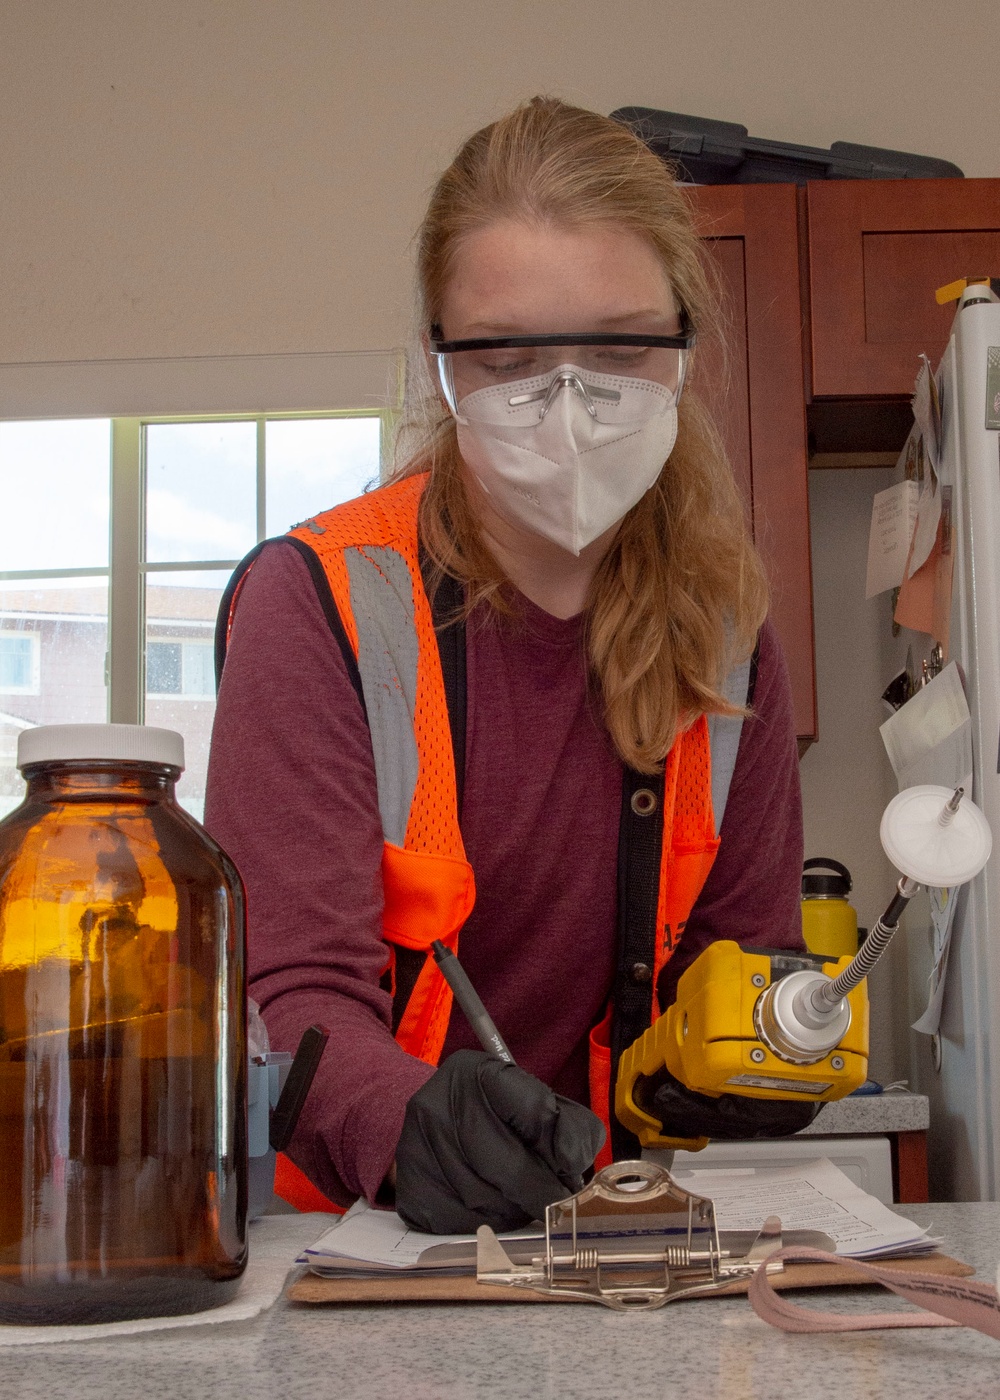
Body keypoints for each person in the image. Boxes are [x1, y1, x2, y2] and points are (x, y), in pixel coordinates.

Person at [205, 97, 810, 1233]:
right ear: (436, 359)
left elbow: (745, 957)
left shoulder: (728, 637)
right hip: (365, 1236)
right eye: (508, 355)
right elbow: (287, 988)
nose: (569, 405)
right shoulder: (320, 603)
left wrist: (742, 1056)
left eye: (621, 347)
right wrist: (407, 1119)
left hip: (624, 1230)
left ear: (684, 343)